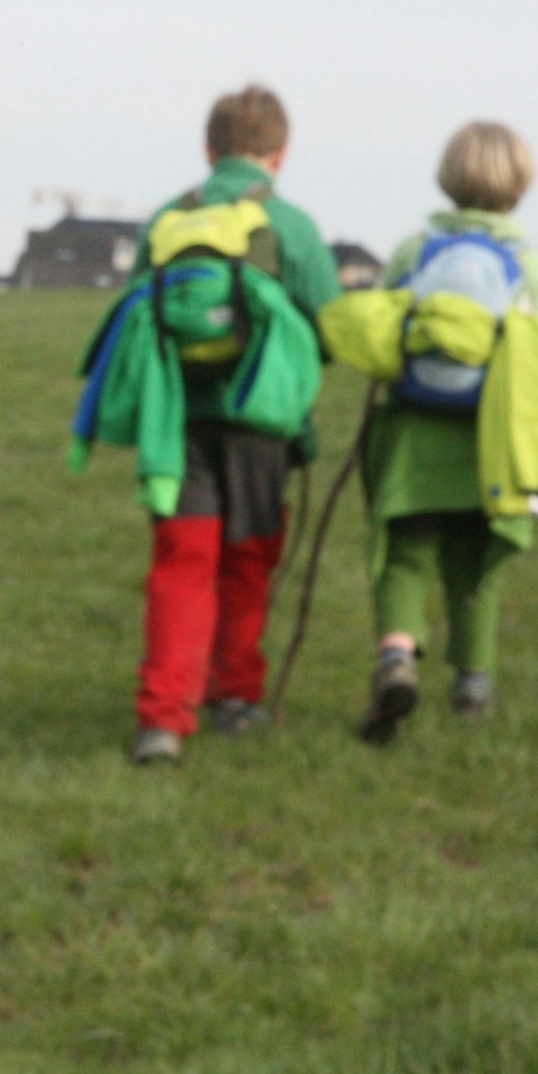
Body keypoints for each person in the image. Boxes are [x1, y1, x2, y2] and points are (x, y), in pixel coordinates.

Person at [123, 85, 341, 764]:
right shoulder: (290, 225)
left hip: (177, 422)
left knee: (181, 565)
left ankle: (163, 720)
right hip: (261, 426)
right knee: (246, 563)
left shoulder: (168, 219)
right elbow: (330, 325)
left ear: (208, 150)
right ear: (281, 155)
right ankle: (236, 699)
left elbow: (138, 312)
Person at [350, 121, 538, 743]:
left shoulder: (411, 254)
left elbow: (380, 337)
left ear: (447, 177)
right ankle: (473, 682)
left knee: (406, 556)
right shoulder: (532, 267)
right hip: (491, 443)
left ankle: (396, 658)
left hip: (414, 432)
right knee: (476, 563)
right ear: (520, 183)